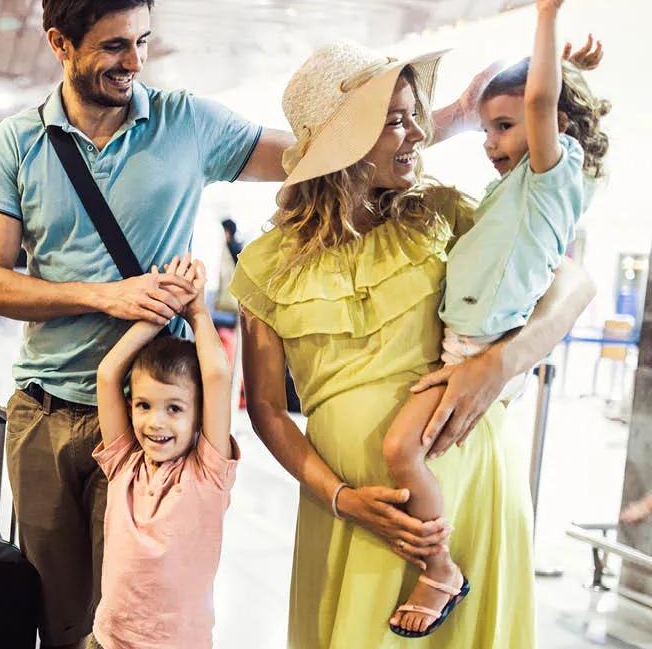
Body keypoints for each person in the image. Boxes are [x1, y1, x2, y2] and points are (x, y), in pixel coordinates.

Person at [232, 37, 596, 647]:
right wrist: (342, 498)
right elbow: (267, 409)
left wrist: (497, 365)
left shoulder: (442, 213)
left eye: (413, 116)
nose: (419, 135)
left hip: (470, 488)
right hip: (359, 512)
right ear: (343, 142)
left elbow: (574, 282)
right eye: (395, 122)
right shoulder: (268, 264)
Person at [0, 0, 294, 645]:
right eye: (114, 46)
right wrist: (102, 295)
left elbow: (308, 155)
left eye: (143, 40)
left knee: (140, 617)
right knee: (61, 620)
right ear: (59, 43)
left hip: (155, 418)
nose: (136, 61)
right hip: (48, 415)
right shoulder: (17, 143)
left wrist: (435, 118)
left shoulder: (187, 123)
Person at [380, 0, 609, 636]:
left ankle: (439, 568)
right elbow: (526, 99)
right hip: (466, 342)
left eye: (505, 127)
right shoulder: (512, 190)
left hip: (477, 350)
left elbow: (539, 100)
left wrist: (547, 12)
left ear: (553, 126)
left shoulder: (549, 181)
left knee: (401, 448)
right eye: (487, 128)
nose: (491, 141)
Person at [89, 255, 235, 649]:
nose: (155, 423)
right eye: (143, 405)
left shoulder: (208, 474)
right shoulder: (125, 465)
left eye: (174, 408)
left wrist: (197, 310)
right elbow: (107, 374)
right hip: (109, 641)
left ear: (199, 414)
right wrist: (159, 312)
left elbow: (219, 377)